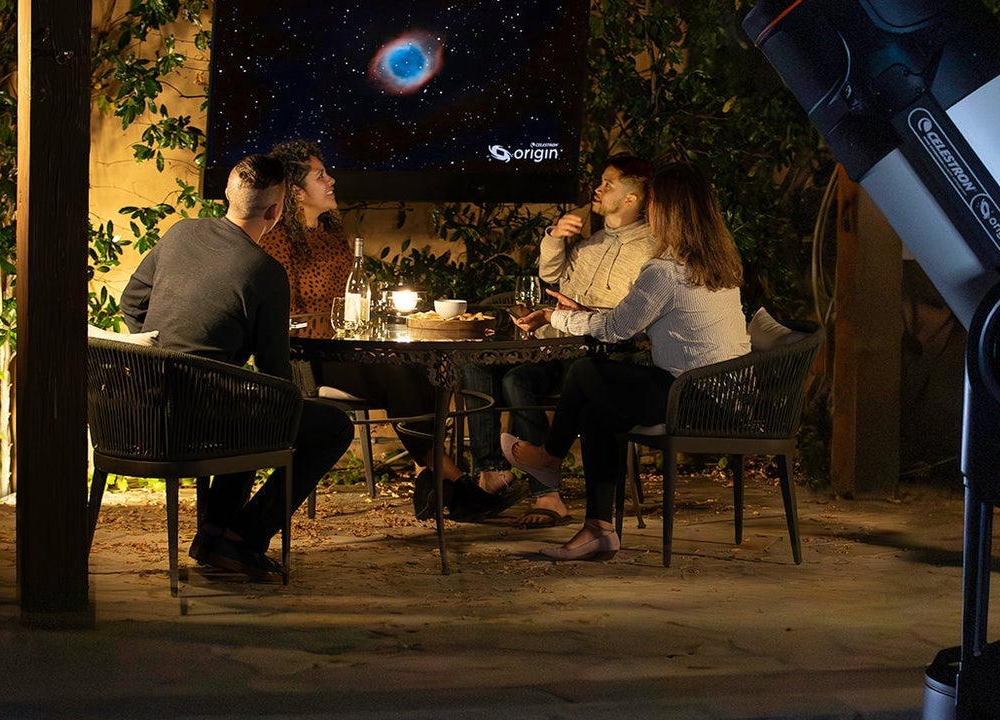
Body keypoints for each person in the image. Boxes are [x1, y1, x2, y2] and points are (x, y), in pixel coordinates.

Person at [120, 154, 354, 575]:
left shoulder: (180, 233)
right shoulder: (264, 272)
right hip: (200, 423)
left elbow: (131, 302)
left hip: (141, 411)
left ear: (228, 193)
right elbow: (274, 373)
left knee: (248, 407)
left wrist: (162, 353)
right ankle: (244, 536)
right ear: (275, 211)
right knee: (331, 426)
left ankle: (214, 534)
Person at [505, 162, 749, 561]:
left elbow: (616, 329)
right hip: (722, 397)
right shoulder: (717, 265)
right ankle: (598, 531)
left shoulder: (665, 271)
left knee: (586, 371)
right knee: (597, 413)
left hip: (690, 397)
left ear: (667, 212)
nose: (650, 214)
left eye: (654, 206)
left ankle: (549, 457)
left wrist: (553, 317)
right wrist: (583, 313)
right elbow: (630, 322)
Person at [259, 142, 508, 523]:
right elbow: (286, 316)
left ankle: (432, 477)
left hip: (350, 349)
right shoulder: (278, 240)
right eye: (320, 176)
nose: (331, 180)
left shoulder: (330, 235)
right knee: (396, 373)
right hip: (310, 359)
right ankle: (456, 485)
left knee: (422, 367)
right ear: (295, 192)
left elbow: (353, 302)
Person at [463, 153, 655, 529]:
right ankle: (491, 472)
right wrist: (553, 238)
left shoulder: (648, 251)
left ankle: (546, 493)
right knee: (475, 362)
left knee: (516, 380)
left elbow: (631, 318)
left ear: (630, 198)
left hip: (598, 354)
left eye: (608, 184)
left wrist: (579, 312)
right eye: (599, 181)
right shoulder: (592, 243)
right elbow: (552, 277)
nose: (598, 189)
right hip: (553, 345)